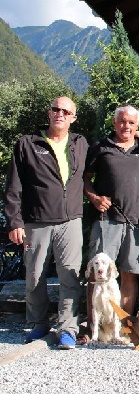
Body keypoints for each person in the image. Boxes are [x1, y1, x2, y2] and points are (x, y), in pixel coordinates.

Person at [5, 96, 88, 350]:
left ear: (73, 118)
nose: (60, 114)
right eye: (55, 109)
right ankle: (38, 323)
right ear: (49, 113)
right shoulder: (28, 144)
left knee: (70, 277)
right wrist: (14, 221)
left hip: (70, 221)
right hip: (36, 221)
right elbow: (13, 186)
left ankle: (67, 328)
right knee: (34, 276)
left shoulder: (80, 143)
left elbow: (109, 156)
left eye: (66, 111)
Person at [83, 105, 139, 338]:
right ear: (114, 123)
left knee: (129, 274)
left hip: (136, 220)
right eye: (122, 121)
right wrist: (94, 197)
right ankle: (93, 328)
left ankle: (123, 327)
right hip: (106, 219)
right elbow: (84, 179)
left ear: (137, 126)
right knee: (98, 274)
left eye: (131, 123)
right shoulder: (100, 147)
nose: (126, 126)